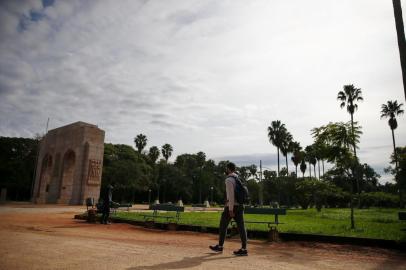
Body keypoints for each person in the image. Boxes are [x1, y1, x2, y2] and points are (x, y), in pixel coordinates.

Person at [209, 162, 248, 256]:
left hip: (232, 206)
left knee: (223, 225)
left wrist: (230, 209)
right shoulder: (238, 178)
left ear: (228, 169)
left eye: (226, 168)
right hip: (240, 206)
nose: (225, 170)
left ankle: (220, 246)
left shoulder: (229, 180)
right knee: (242, 227)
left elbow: (231, 195)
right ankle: (244, 249)